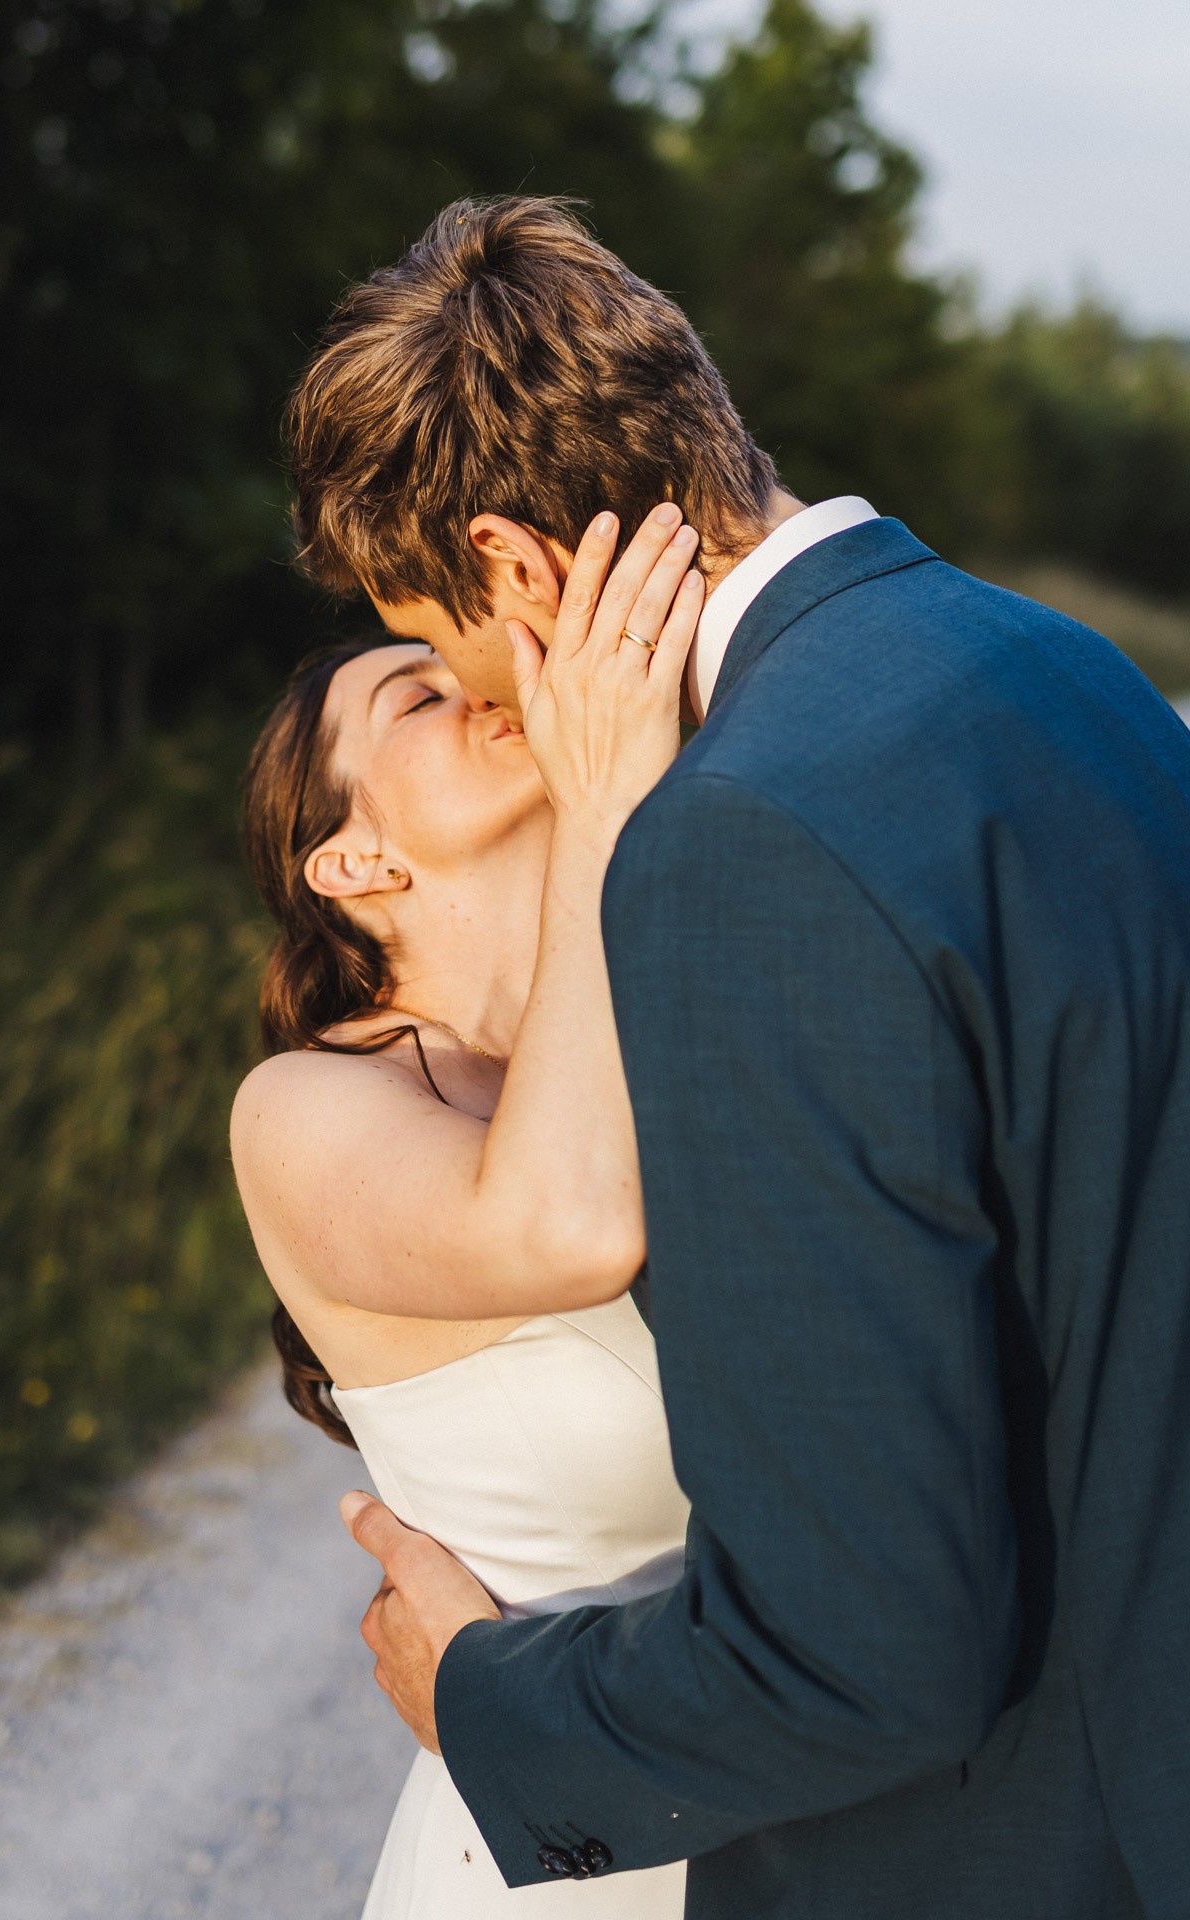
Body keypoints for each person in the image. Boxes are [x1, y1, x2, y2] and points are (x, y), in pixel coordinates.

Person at [285, 195, 1190, 1920]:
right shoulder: (1062, 668)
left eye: (459, 651)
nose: (494, 706)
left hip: (1025, 1853)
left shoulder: (739, 843)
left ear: (519, 572)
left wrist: (486, 1707)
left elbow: (873, 1648)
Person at [231, 506, 712, 1914]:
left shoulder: (677, 1014)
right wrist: (612, 796)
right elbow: (566, 1230)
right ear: (354, 862)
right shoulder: (307, 1109)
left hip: (801, 1814)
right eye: (417, 696)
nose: (483, 682)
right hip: (552, 1862)